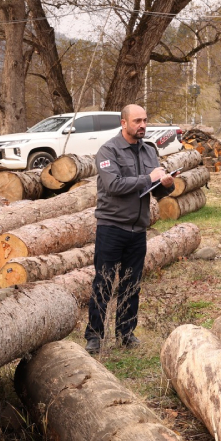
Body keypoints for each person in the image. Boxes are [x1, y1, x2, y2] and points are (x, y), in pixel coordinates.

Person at [85, 104, 175, 354]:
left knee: (131, 284)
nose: (142, 125)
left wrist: (166, 184)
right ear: (123, 123)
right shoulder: (109, 150)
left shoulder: (149, 150)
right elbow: (113, 185)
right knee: (103, 282)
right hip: (112, 226)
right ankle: (94, 336)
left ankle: (125, 334)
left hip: (138, 229)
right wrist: (149, 178)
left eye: (145, 120)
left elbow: (155, 190)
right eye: (137, 121)